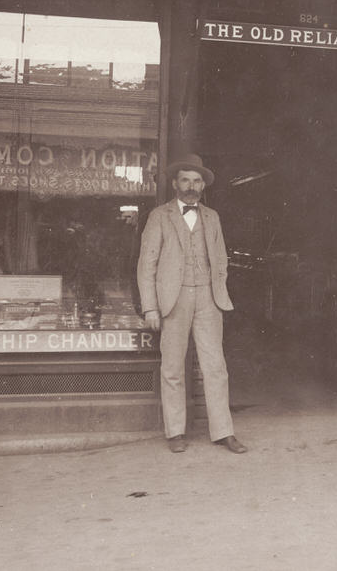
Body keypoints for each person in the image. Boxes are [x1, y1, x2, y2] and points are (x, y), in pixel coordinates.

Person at [137, 153, 247, 454]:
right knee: (172, 366)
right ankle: (175, 432)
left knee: (215, 366)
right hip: (173, 298)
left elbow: (221, 257)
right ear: (175, 183)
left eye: (197, 181)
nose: (191, 185)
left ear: (202, 186)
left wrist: (218, 290)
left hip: (208, 298)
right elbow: (147, 264)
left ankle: (223, 431)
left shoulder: (212, 217)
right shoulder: (160, 216)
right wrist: (150, 306)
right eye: (185, 179)